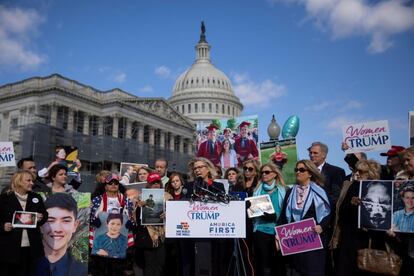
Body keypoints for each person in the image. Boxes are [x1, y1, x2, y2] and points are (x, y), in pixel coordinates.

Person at [279, 160, 331, 276]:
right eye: (296, 170)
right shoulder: (290, 192)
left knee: (312, 270)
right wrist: (278, 235)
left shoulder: (320, 192)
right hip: (294, 239)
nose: (298, 172)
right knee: (295, 270)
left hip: (313, 238)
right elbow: (284, 215)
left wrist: (322, 226)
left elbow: (328, 213)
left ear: (310, 173)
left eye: (302, 170)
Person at [331, 159, 382, 276]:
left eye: (361, 171)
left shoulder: (381, 188)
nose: (357, 173)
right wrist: (351, 204)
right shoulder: (352, 187)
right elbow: (341, 213)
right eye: (356, 170)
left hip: (371, 238)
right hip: (350, 238)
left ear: (371, 173)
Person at [0, 171, 48, 276]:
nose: (32, 183)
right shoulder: (4, 198)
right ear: (19, 182)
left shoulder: (36, 198)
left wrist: (41, 217)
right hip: (10, 248)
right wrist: (3, 226)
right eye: (28, 180)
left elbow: (45, 215)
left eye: (32, 181)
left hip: (31, 248)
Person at [90, 173, 134, 275]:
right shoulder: (97, 200)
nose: (113, 185)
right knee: (99, 267)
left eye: (116, 183)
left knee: (117, 268)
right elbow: (90, 216)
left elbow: (131, 216)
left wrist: (129, 223)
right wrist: (94, 220)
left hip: (119, 239)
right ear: (105, 186)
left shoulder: (126, 200)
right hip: (101, 237)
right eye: (110, 183)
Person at [35, 192, 87, 275]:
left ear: (75, 226)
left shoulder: (83, 272)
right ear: (41, 225)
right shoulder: (20, 267)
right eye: (50, 221)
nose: (57, 229)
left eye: (66, 221)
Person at [134, 172, 172, 276]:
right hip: (147, 235)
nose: (156, 185)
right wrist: (139, 208)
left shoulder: (168, 196)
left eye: (157, 182)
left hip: (163, 235)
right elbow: (135, 219)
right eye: (153, 183)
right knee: (149, 264)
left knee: (161, 263)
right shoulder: (140, 197)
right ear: (148, 184)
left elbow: (175, 215)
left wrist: (168, 213)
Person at [252, 163, 287, 276]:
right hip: (261, 230)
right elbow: (253, 210)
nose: (264, 174)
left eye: (267, 172)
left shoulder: (283, 190)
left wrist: (276, 216)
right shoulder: (257, 190)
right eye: (262, 172)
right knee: (261, 264)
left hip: (279, 231)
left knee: (278, 264)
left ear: (275, 174)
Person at [308, 141, 345, 205]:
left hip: (326, 210)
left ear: (324, 155)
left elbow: (336, 195)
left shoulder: (336, 171)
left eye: (315, 153)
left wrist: (319, 206)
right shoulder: (305, 171)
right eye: (310, 153)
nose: (312, 155)